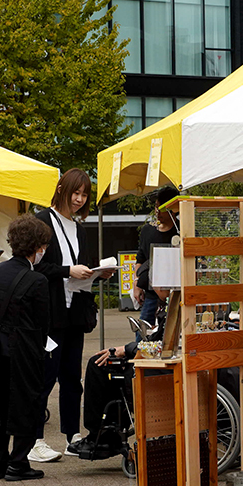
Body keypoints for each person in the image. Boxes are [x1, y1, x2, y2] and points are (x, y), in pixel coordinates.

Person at [33, 168, 113, 462]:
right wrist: (68, 271)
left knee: (71, 377)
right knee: (45, 375)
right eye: (75, 192)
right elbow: (34, 266)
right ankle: (34, 439)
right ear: (61, 189)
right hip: (50, 313)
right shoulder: (42, 222)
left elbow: (83, 266)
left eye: (84, 195)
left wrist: (97, 273)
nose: (78, 199)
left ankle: (72, 436)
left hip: (75, 312)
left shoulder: (80, 228)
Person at [68, 288, 169, 457]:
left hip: (156, 368)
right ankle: (105, 435)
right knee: (100, 361)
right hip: (155, 361)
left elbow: (164, 345)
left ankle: (102, 437)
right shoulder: (168, 303)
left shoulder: (174, 304)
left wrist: (127, 349)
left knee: (100, 365)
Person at [0, 216, 51, 481]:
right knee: (27, 401)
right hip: (25, 348)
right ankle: (18, 463)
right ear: (37, 246)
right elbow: (42, 322)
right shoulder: (37, 281)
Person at [133, 186, 179, 335]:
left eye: (162, 208)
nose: (157, 212)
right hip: (151, 295)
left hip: (176, 296)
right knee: (143, 335)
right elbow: (140, 258)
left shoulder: (182, 230)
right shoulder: (148, 230)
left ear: (173, 208)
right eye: (156, 207)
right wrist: (136, 283)